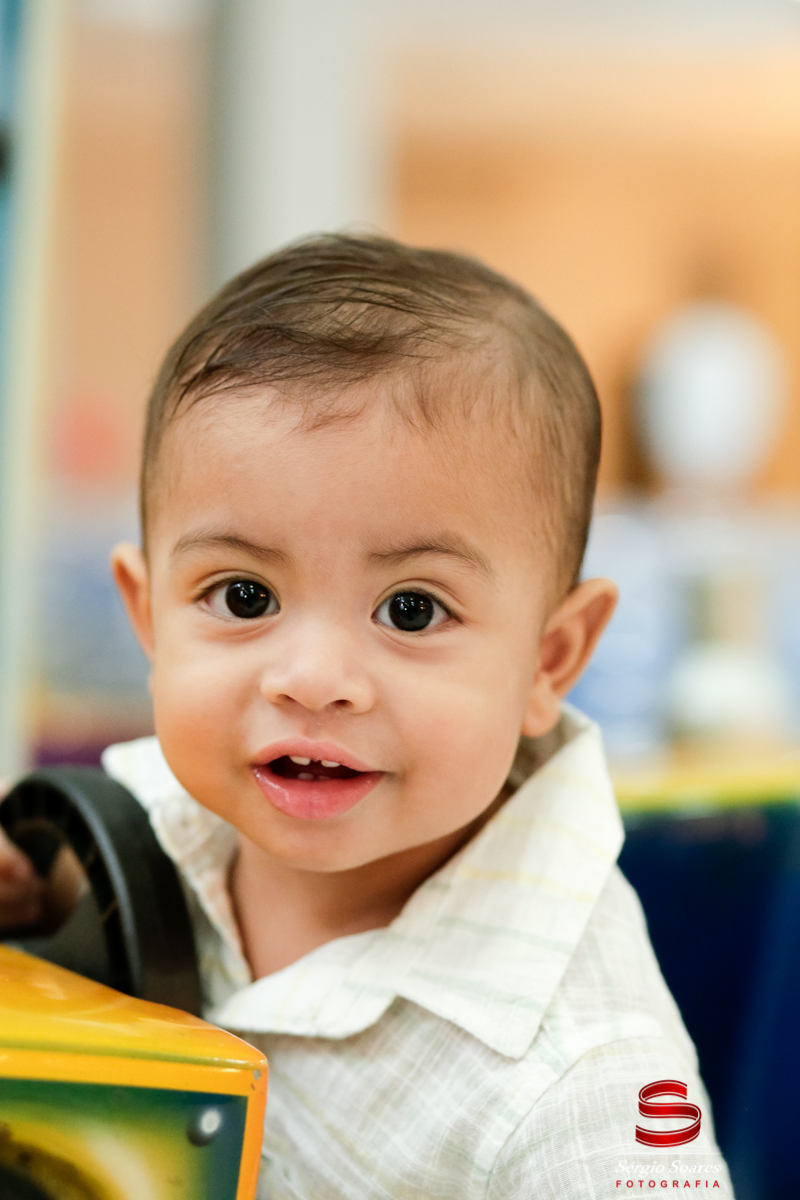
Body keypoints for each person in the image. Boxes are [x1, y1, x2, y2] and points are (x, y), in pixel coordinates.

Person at [1, 235, 732, 1197]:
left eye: (411, 610)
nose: (311, 679)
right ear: (148, 618)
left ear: (548, 659)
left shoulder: (587, 1073)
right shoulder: (143, 822)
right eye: (244, 596)